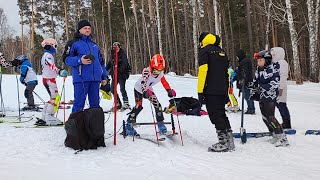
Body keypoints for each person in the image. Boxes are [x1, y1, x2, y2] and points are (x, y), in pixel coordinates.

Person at [197, 32, 235, 152]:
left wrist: (200, 91)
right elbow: (227, 72)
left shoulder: (205, 51)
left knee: (215, 115)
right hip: (222, 88)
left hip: (211, 89)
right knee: (221, 113)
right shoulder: (221, 51)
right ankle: (230, 141)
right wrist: (226, 89)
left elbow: (203, 71)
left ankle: (223, 142)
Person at [124, 54, 176, 136]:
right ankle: (129, 126)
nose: (157, 73)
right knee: (138, 107)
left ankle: (161, 125)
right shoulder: (147, 71)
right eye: (155, 71)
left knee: (158, 106)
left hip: (149, 90)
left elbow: (164, 82)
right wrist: (144, 92)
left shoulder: (160, 74)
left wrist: (169, 90)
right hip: (139, 89)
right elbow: (143, 82)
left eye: (160, 70)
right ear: (151, 67)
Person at [64, 20, 107, 113]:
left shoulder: (94, 45)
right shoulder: (73, 43)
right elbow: (66, 60)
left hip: (95, 79)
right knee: (79, 103)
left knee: (95, 105)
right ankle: (76, 126)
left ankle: (94, 126)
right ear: (79, 30)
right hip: (81, 79)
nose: (87, 30)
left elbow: (101, 62)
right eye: (85, 28)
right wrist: (80, 60)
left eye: (89, 28)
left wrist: (104, 77)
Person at [250, 50, 289, 147]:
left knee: (270, 117)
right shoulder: (259, 69)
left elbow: (274, 83)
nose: (258, 63)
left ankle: (282, 137)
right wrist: (249, 84)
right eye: (257, 61)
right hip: (261, 96)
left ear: (267, 60)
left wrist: (261, 88)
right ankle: (274, 134)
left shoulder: (273, 69)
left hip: (270, 96)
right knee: (265, 118)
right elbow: (255, 80)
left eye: (260, 61)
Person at [35, 38, 68, 126]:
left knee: (52, 98)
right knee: (55, 98)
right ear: (51, 46)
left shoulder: (45, 55)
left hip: (47, 78)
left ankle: (44, 116)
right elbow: (51, 65)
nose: (55, 48)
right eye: (55, 46)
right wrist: (60, 71)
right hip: (49, 79)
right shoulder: (48, 55)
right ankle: (49, 117)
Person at [270, 47, 291, 129]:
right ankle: (284, 122)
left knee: (282, 105)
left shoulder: (282, 63)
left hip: (280, 88)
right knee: (279, 105)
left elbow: (283, 77)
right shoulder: (275, 63)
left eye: (274, 54)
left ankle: (287, 123)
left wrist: (280, 89)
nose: (273, 55)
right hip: (276, 87)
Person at [106, 42, 131, 111]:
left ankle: (126, 103)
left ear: (119, 47)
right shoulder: (112, 55)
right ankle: (118, 103)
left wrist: (119, 70)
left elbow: (125, 63)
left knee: (122, 88)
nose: (116, 49)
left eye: (117, 47)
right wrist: (105, 70)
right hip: (114, 75)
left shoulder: (122, 54)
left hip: (122, 75)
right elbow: (109, 63)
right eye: (114, 47)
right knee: (112, 89)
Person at [236, 49, 255, 114]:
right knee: (246, 95)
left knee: (247, 95)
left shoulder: (244, 62)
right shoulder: (244, 61)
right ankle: (250, 108)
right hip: (246, 81)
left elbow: (244, 72)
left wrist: (243, 79)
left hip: (246, 82)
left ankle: (251, 109)